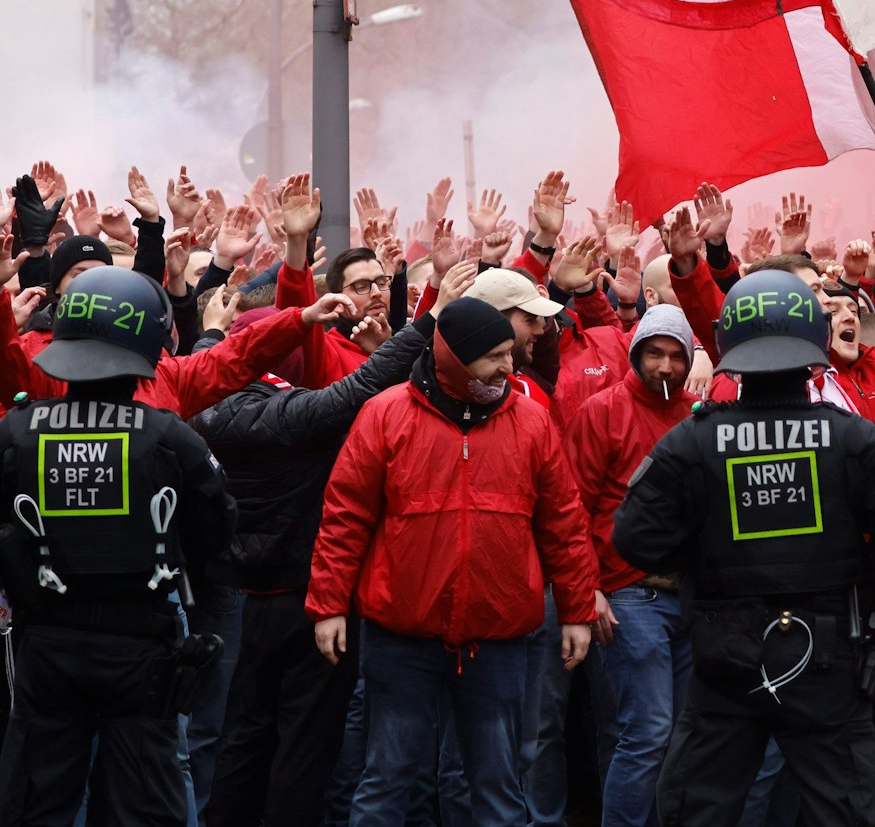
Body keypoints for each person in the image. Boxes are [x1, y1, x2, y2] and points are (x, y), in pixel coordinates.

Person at [612, 267, 875, 827]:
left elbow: (634, 538)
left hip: (724, 659)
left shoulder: (694, 438)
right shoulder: (851, 437)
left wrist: (703, 546)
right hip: (828, 658)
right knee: (846, 811)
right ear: (813, 339)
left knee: (697, 810)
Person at [306, 295, 597, 827]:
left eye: (510, 353)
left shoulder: (531, 422)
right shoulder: (385, 413)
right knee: (387, 782)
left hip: (498, 637)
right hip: (401, 636)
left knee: (498, 790)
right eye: (495, 357)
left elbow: (565, 525)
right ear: (455, 359)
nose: (510, 367)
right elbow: (344, 516)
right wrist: (328, 605)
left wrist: (576, 610)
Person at [0, 266, 237, 827]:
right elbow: (216, 530)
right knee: (145, 800)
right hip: (142, 643)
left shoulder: (15, 431)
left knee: (38, 795)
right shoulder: (170, 436)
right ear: (148, 343)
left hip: (46, 640)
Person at [197, 303, 431, 827]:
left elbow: (204, 357)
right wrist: (429, 321)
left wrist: (213, 326)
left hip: (252, 600)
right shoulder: (289, 414)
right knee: (304, 744)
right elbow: (362, 386)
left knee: (246, 732)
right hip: (313, 601)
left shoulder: (203, 399)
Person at [564, 303, 700, 827]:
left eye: (675, 356)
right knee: (645, 733)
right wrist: (587, 588)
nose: (665, 366)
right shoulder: (601, 411)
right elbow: (571, 507)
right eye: (654, 353)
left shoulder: (697, 416)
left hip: (690, 595)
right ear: (636, 351)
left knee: (677, 735)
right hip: (627, 593)